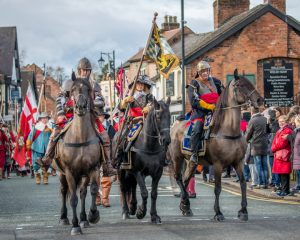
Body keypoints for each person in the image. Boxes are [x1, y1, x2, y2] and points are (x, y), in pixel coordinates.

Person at [186, 60, 223, 163]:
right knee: (197, 127)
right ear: (199, 72)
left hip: (217, 110)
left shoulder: (216, 82)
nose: (205, 73)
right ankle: (194, 153)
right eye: (202, 71)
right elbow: (194, 101)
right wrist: (208, 106)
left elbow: (224, 94)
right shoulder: (194, 84)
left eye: (206, 70)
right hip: (201, 112)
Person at [114, 74, 155, 167]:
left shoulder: (148, 96)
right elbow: (120, 108)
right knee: (122, 137)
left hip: (146, 121)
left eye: (142, 84)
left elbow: (152, 104)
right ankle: (119, 157)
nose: (140, 85)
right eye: (138, 83)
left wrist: (149, 108)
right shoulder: (130, 96)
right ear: (134, 85)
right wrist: (125, 101)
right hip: (133, 122)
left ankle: (162, 156)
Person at [95, 111, 117, 207]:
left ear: (104, 116)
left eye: (101, 115)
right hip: (94, 153)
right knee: (94, 176)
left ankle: (105, 198)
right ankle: (97, 197)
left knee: (107, 175)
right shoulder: (91, 126)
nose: (100, 117)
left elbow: (113, 140)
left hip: (107, 154)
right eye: (98, 115)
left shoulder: (110, 127)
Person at [245, 107, 269, 189]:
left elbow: (248, 133)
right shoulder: (265, 119)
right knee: (264, 165)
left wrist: (246, 140)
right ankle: (265, 183)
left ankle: (261, 183)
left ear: (252, 112)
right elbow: (268, 131)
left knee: (258, 165)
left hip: (256, 146)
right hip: (265, 145)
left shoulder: (252, 120)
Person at [26, 113, 52, 185]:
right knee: (36, 163)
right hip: (37, 147)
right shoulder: (36, 127)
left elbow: (55, 135)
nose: (45, 119)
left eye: (46, 118)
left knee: (47, 163)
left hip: (48, 148)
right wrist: (28, 144)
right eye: (43, 118)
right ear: (40, 119)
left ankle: (45, 177)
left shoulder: (51, 126)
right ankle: (38, 176)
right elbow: (30, 135)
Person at [271, 115, 293, 197]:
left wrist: (273, 148)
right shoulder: (280, 130)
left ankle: (285, 190)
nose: (280, 123)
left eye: (282, 121)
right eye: (279, 121)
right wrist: (273, 147)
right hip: (279, 155)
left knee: (284, 174)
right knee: (281, 174)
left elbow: (281, 143)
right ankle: (284, 190)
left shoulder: (287, 130)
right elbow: (274, 141)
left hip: (283, 155)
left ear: (286, 122)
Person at [291, 115, 300, 192]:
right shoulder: (296, 131)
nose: (294, 123)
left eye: (296, 121)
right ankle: (298, 185)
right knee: (297, 171)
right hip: (296, 155)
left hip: (298, 155)